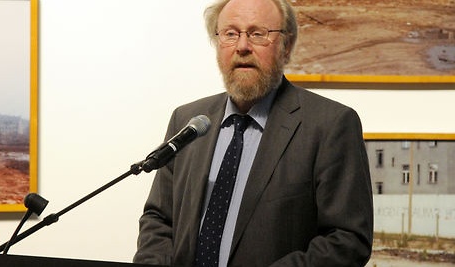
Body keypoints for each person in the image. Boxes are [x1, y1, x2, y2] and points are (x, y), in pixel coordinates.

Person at [133, 0, 373, 266]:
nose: (242, 47)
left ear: (287, 46)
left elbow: (347, 240)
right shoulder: (188, 120)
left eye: (258, 34)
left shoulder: (330, 125)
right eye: (230, 34)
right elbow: (159, 218)